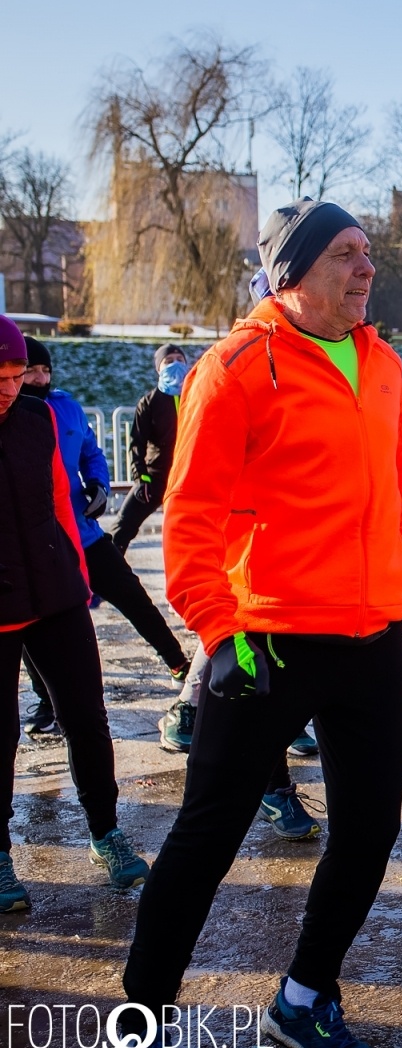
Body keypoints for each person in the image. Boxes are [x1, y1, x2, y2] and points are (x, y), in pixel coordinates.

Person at [119, 199, 402, 1048]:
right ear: (293, 271)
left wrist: (389, 591)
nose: (366, 270)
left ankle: (302, 998)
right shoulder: (238, 365)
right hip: (269, 641)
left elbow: (392, 488)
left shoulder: (386, 364)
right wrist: (218, 630)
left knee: (369, 832)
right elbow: (192, 517)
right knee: (208, 835)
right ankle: (139, 1019)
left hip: (370, 637)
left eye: (367, 253)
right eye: (346, 255)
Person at [0, 314, 152, 913]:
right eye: (0, 376)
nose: (10, 387)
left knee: (86, 715)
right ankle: (1, 855)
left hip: (56, 593)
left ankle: (105, 830)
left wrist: (81, 576)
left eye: (16, 375)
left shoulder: (38, 418)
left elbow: (62, 502)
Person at [18, 338, 191, 739]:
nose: (39, 379)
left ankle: (176, 661)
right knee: (36, 624)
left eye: (44, 372)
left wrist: (97, 483)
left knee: (130, 593)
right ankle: (46, 702)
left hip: (84, 531)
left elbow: (91, 453)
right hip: (40, 542)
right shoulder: (13, 417)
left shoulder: (66, 407)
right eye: (31, 372)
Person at [109, 344, 187, 553]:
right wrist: (141, 477)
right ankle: (105, 578)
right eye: (169, 361)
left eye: (180, 359)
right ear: (158, 368)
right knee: (122, 528)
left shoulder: (197, 394)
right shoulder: (149, 402)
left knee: (190, 536)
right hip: (156, 476)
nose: (176, 365)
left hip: (189, 476)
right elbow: (137, 443)